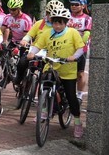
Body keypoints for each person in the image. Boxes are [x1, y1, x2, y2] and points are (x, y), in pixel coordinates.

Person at [27, 7, 84, 138]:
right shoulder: (47, 33)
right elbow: (38, 45)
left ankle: (77, 122)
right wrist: (32, 53)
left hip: (67, 69)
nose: (57, 25)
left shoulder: (72, 33)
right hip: (51, 66)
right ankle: (45, 109)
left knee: (71, 96)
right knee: (44, 86)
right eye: (55, 22)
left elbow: (81, 48)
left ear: (66, 23)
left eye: (60, 23)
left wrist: (74, 56)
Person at [15, 0, 65, 87]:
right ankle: (19, 79)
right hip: (35, 49)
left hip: (50, 52)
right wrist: (24, 40)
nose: (51, 16)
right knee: (22, 62)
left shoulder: (62, 26)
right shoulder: (40, 23)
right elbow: (29, 34)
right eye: (49, 13)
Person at [67, 0, 92, 102]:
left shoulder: (87, 18)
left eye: (76, 4)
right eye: (72, 4)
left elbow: (86, 34)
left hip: (81, 47)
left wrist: (80, 45)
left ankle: (79, 95)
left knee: (80, 73)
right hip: (66, 45)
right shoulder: (66, 16)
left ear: (83, 6)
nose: (73, 6)